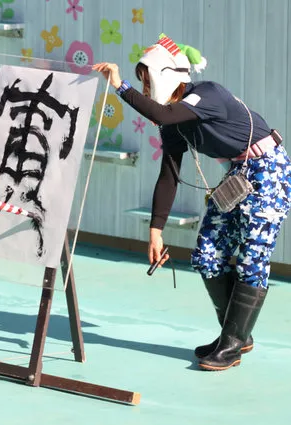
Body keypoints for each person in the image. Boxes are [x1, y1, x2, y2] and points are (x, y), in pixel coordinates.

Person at [93, 34, 291, 371]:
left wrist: (120, 85)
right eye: (140, 82)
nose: (144, 88)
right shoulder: (174, 122)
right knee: (206, 255)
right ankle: (236, 333)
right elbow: (168, 174)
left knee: (252, 257)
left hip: (268, 169)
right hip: (237, 175)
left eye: (146, 80)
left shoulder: (207, 94)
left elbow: (163, 114)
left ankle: (232, 343)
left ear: (166, 74)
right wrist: (156, 231)